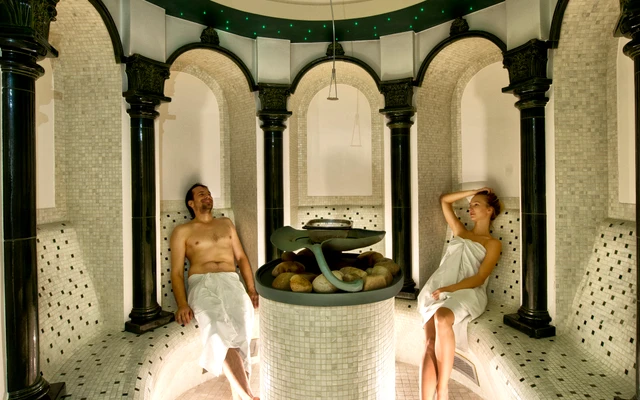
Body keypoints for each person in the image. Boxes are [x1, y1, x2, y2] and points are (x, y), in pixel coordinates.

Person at [170, 183, 260, 400]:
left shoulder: (226, 224)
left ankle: (241, 396)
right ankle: (248, 396)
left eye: (209, 194)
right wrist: (182, 304)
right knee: (217, 330)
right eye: (202, 194)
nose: (207, 196)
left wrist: (251, 289)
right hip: (202, 283)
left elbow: (241, 258)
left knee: (242, 334)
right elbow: (176, 272)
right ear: (191, 203)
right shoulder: (182, 231)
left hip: (231, 281)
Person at [417, 188, 502, 400]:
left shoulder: (492, 243)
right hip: (437, 287)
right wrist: (474, 191)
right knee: (429, 343)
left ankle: (442, 390)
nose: (470, 208)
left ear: (490, 210)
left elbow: (480, 277)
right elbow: (444, 201)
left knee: (442, 317)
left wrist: (450, 289)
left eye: (476, 205)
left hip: (467, 291)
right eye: (470, 205)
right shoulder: (460, 231)